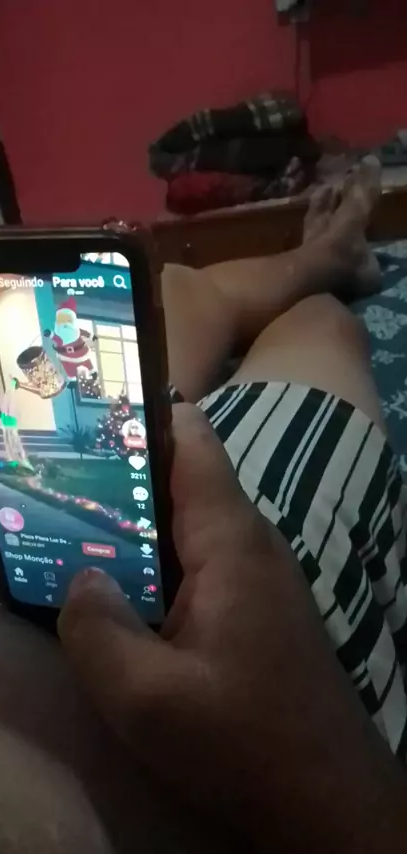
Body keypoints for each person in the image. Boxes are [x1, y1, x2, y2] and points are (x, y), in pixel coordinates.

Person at [59, 156, 407, 851]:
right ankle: (326, 265)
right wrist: (335, 787)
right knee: (315, 323)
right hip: (230, 594)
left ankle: (322, 253)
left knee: (170, 290)